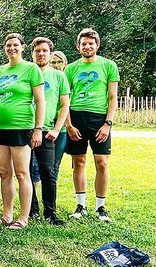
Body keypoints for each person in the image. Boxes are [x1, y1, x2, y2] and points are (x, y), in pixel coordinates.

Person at [0, 33, 45, 230]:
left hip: (21, 127)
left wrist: (38, 129)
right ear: (4, 48)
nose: (12, 48)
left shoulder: (31, 69)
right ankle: (7, 214)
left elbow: (40, 100)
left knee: (22, 173)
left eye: (15, 45)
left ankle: (23, 218)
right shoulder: (0, 71)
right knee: (4, 172)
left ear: (22, 47)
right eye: (8, 45)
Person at [64, 28, 119, 222]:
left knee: (102, 163)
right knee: (79, 162)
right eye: (84, 44)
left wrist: (107, 124)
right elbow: (65, 100)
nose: (87, 46)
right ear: (78, 46)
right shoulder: (70, 69)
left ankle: (101, 207)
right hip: (77, 117)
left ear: (97, 45)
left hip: (99, 119)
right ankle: (81, 205)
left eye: (91, 43)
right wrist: (69, 125)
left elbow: (113, 98)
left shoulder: (109, 66)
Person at [29, 37, 70, 225]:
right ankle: (32, 210)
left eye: (45, 50)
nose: (41, 54)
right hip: (25, 129)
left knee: (48, 173)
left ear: (50, 53)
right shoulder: (27, 72)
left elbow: (64, 106)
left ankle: (50, 213)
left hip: (47, 131)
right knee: (26, 173)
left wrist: (56, 128)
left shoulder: (59, 76)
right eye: (37, 51)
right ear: (32, 54)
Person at [49, 50, 69, 180]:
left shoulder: (67, 79)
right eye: (53, 62)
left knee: (55, 163)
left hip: (61, 128)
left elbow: (66, 105)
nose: (56, 65)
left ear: (65, 63)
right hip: (47, 124)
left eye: (59, 62)